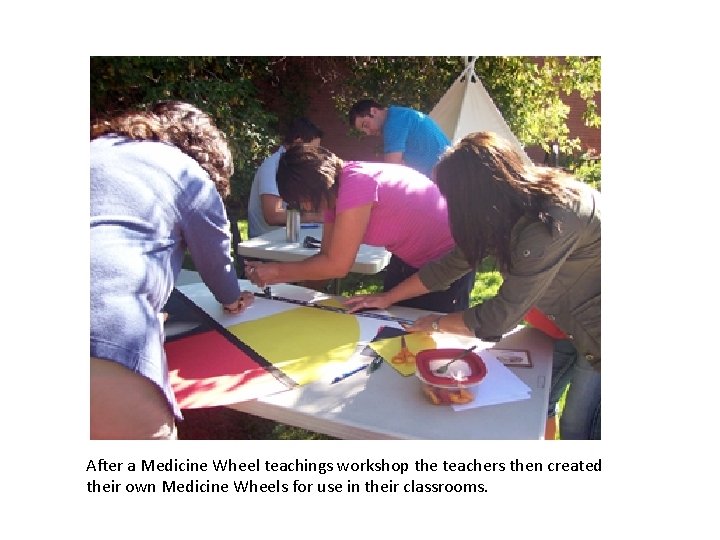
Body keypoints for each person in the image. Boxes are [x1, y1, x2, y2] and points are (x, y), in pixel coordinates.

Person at [344, 131, 601, 439]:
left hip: (600, 330)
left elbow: (499, 316)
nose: (449, 206)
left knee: (581, 429)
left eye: (452, 198)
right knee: (533, 405)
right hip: (564, 320)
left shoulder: (549, 223)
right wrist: (389, 297)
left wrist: (436, 323)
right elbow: (449, 266)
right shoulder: (511, 207)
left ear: (478, 195)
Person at [90, 100, 255, 440]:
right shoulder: (186, 173)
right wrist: (232, 298)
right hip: (104, 338)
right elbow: (216, 260)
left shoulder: (96, 148)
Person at [244, 144, 475, 313]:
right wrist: (282, 277)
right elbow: (326, 257)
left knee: (423, 337)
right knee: (393, 329)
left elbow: (337, 265)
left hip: (448, 265)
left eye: (301, 200)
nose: (303, 207)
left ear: (312, 190)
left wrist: (276, 272)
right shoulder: (337, 188)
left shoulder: (356, 185)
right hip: (409, 260)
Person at [247, 117, 325, 238]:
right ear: (298, 143)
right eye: (313, 149)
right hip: (267, 244)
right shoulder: (273, 166)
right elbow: (273, 215)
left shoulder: (295, 167)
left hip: (290, 240)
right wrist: (317, 217)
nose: (315, 155)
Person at [348, 99, 450, 177]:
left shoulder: (393, 123)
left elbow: (392, 171)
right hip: (450, 172)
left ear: (374, 111)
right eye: (364, 132)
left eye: (366, 125)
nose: (368, 132)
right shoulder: (400, 114)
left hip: (444, 178)